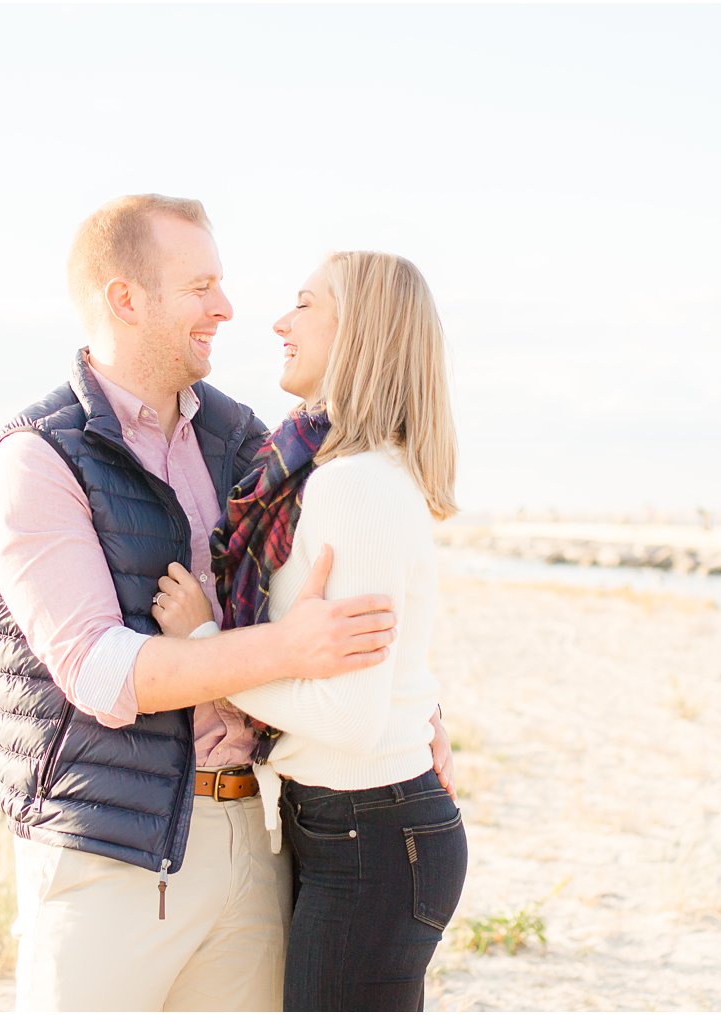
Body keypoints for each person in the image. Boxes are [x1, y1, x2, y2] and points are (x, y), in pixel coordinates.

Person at [0, 195, 453, 1011]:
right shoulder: (37, 458)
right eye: (202, 286)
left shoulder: (249, 443)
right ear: (127, 298)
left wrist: (420, 713)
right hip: (107, 861)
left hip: (255, 838)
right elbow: (100, 670)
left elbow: (366, 576)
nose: (228, 308)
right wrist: (282, 651)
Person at [153, 251, 468, 1011]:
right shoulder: (326, 470)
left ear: (358, 332)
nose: (279, 322)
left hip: (371, 831)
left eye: (303, 305)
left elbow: (348, 718)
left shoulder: (353, 485)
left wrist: (205, 649)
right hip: (347, 826)